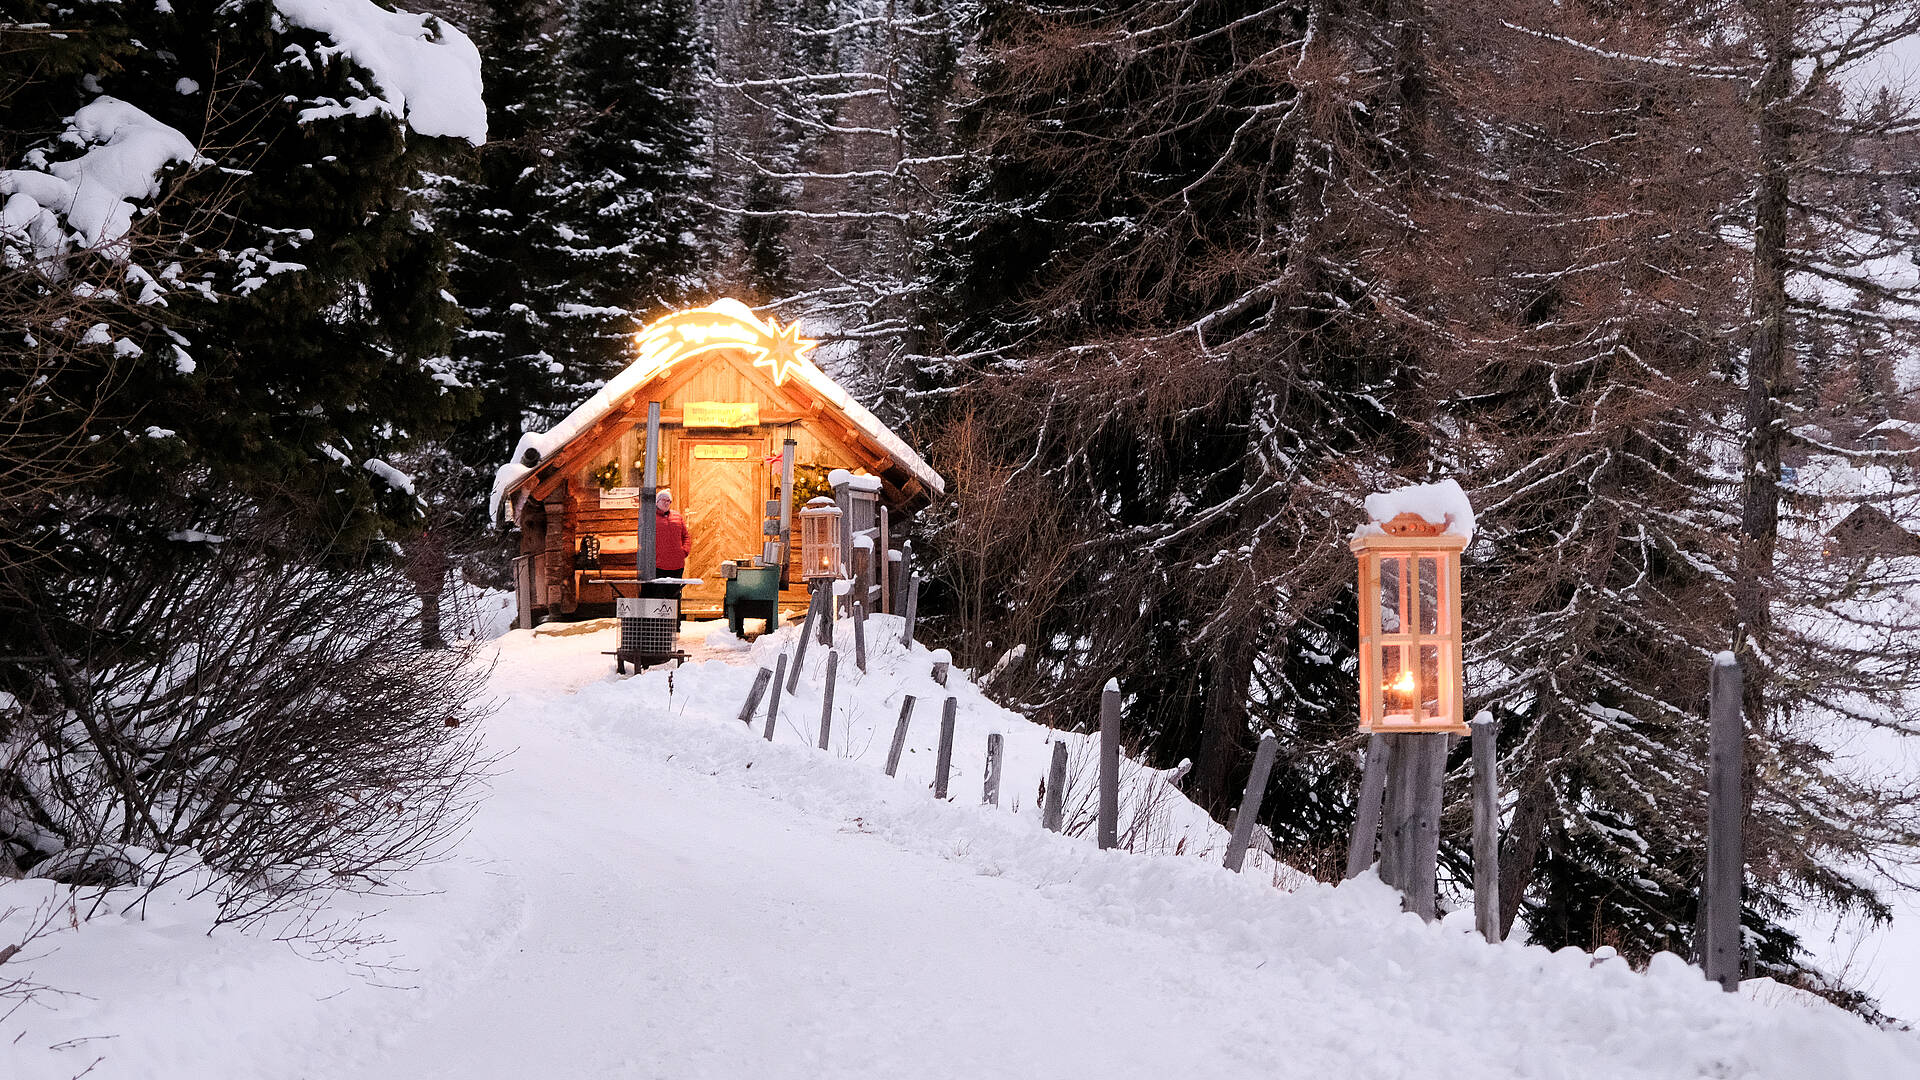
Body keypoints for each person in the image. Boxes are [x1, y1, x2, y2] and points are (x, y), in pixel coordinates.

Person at [652, 488, 693, 596]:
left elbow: (686, 536)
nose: (666, 503)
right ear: (657, 502)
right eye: (663, 500)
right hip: (658, 565)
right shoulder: (651, 518)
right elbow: (644, 538)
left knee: (674, 595)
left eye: (668, 501)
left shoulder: (677, 516)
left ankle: (675, 613)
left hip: (677, 565)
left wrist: (684, 551)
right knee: (658, 595)